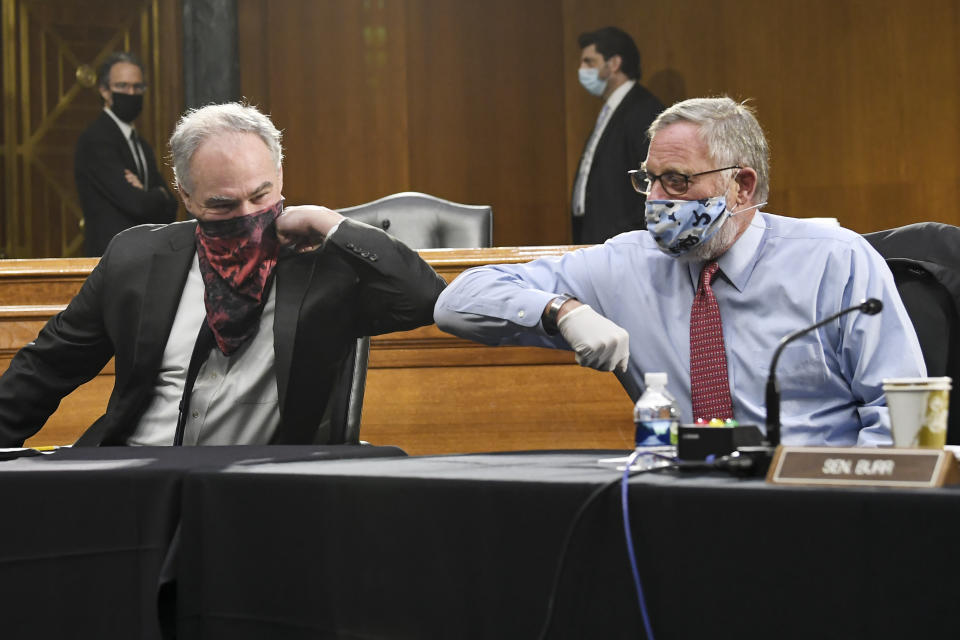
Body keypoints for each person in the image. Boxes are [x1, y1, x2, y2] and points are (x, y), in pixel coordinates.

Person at [436, 97, 926, 446]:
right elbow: (456, 301)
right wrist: (560, 309)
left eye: (676, 182)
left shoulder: (835, 260)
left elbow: (905, 419)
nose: (654, 200)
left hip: (815, 505)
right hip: (685, 508)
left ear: (742, 186)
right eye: (648, 180)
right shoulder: (627, 262)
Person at [0, 102, 446, 447]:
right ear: (187, 197)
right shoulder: (136, 256)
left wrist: (331, 223)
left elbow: (425, 298)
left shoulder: (325, 267)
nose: (248, 216)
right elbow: (45, 369)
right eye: (223, 206)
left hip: (255, 498)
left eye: (260, 196)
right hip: (133, 475)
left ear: (280, 176)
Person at [75, 51, 178, 256]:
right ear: (104, 91)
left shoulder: (142, 145)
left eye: (137, 87)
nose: (131, 93)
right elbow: (137, 205)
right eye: (122, 86)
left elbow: (172, 208)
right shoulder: (97, 140)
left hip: (144, 257)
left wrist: (151, 195)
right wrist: (158, 195)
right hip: (110, 260)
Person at [571, 27, 663, 245]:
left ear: (613, 64)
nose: (581, 69)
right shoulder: (612, 108)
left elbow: (650, 178)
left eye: (589, 62)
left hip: (625, 241)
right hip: (598, 236)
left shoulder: (643, 109)